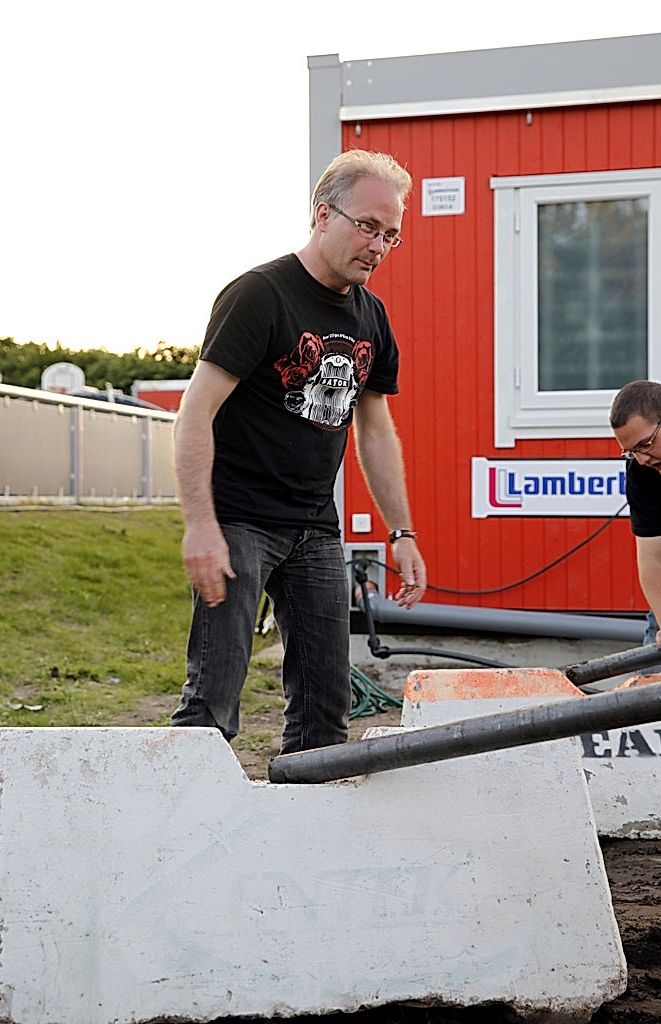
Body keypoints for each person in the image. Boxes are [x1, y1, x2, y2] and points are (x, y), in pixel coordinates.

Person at [170, 149, 427, 754]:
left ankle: (308, 804)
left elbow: (375, 431)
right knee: (212, 700)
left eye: (390, 235)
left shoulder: (372, 317)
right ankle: (179, 807)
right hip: (238, 521)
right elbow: (194, 412)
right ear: (323, 214)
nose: (378, 246)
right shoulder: (259, 294)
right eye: (367, 226)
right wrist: (201, 525)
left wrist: (402, 533)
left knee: (325, 709)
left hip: (314, 526)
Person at [610, 379, 661, 659]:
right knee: (652, 678)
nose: (643, 458)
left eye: (646, 444)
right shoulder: (642, 472)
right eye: (633, 451)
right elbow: (656, 558)